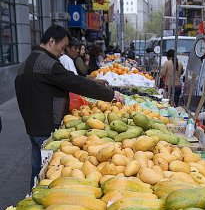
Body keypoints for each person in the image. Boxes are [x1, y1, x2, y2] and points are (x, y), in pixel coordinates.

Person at [15, 25, 124, 189]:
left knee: (38, 168)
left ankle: (33, 193)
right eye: (63, 47)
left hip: (33, 125)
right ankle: (39, 198)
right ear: (52, 41)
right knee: (49, 173)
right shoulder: (47, 64)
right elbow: (75, 83)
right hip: (46, 127)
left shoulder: (27, 62)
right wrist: (109, 94)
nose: (63, 51)